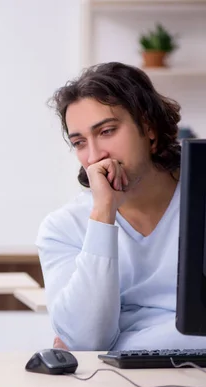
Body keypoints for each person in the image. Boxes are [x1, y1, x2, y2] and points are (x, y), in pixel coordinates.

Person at [37, 61, 206, 351]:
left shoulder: (198, 197)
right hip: (116, 383)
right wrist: (103, 214)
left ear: (149, 129)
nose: (94, 155)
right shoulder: (63, 228)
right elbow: (88, 340)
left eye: (107, 131)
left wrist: (124, 341)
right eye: (79, 142)